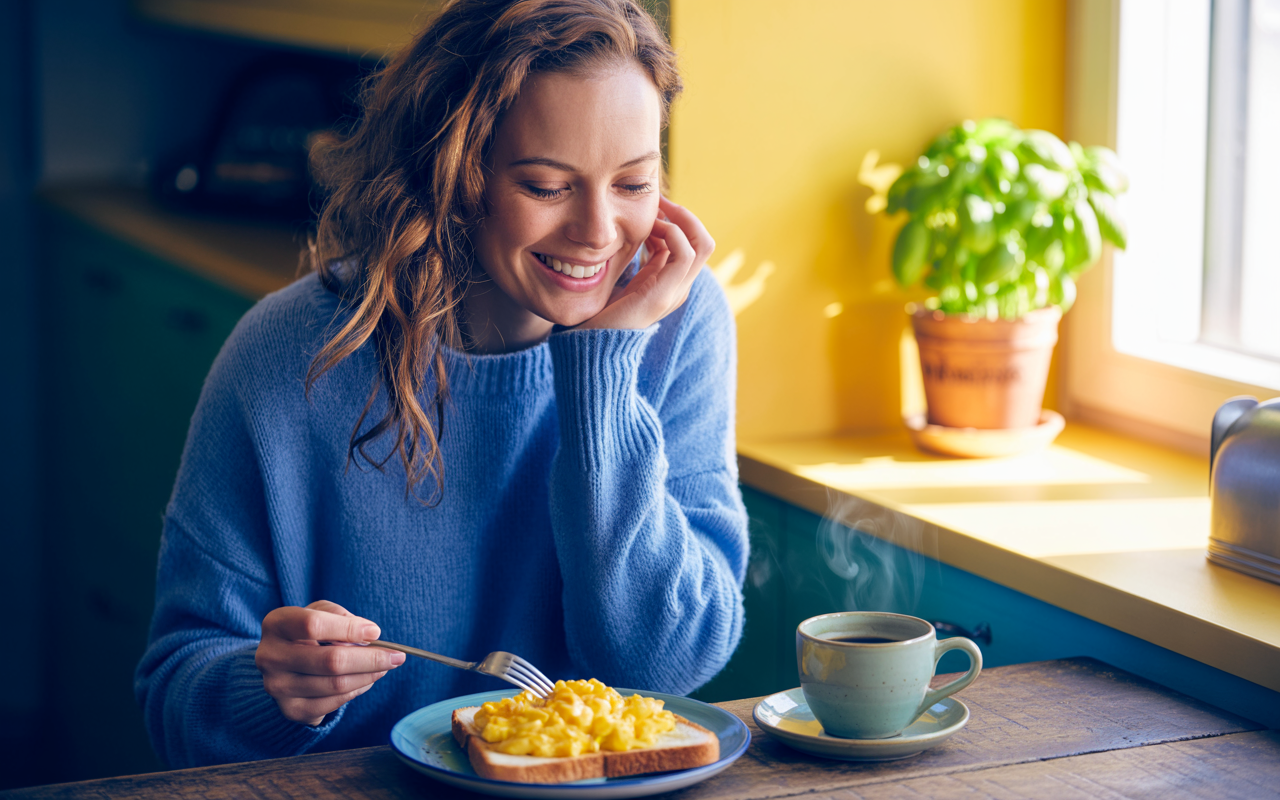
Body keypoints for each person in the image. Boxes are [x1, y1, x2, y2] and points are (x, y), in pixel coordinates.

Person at [135, 0, 748, 769]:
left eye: (633, 184)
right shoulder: (287, 352)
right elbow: (173, 694)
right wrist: (274, 692)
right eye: (546, 186)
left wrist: (602, 371)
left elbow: (663, 665)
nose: (598, 232)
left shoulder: (676, 321)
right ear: (458, 175)